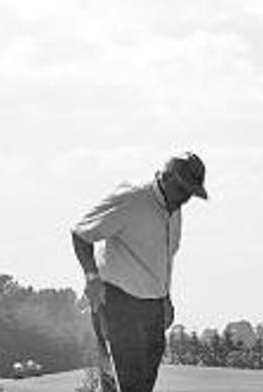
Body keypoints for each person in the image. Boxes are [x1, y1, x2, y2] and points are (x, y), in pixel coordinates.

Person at [71, 152, 208, 392]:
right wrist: (91, 277)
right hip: (117, 300)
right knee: (129, 384)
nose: (186, 198)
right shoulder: (132, 198)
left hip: (152, 306)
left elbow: (163, 259)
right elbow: (81, 233)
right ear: (165, 179)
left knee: (143, 383)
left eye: (190, 193)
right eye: (183, 190)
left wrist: (165, 297)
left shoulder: (173, 207)